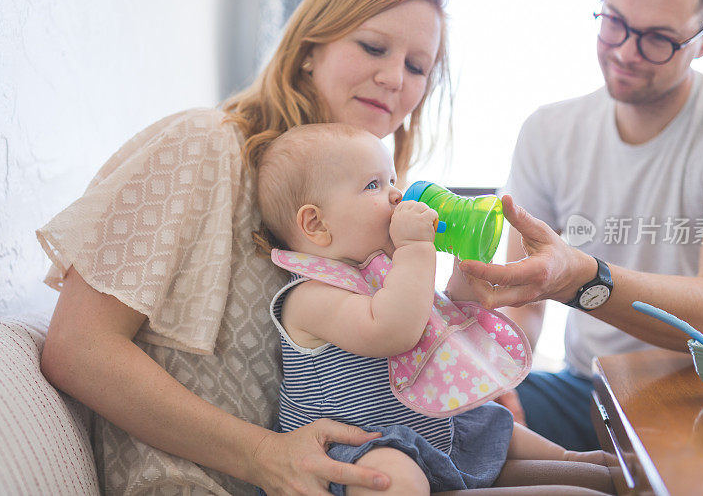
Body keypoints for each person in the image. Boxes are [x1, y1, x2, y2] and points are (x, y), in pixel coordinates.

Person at [37, 0, 454, 493]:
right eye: (373, 48)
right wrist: (264, 456)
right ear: (308, 47)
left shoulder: (375, 212)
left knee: (585, 476)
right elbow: (77, 349)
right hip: (194, 483)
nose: (396, 78)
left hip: (351, 476)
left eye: (417, 67)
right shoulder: (203, 146)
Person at [458, 0, 703, 452]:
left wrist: (581, 278)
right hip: (590, 391)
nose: (624, 52)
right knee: (423, 415)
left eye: (658, 39)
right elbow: (522, 301)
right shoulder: (549, 131)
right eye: (614, 21)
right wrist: (495, 375)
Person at [254, 122, 615, 495]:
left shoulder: (385, 273)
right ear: (316, 224)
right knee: (393, 476)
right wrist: (414, 248)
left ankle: (580, 463)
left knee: (495, 422)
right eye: (373, 185)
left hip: (432, 428)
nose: (396, 196)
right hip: (360, 447)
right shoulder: (310, 297)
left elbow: (437, 325)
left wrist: (463, 281)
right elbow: (394, 331)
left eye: (392, 180)